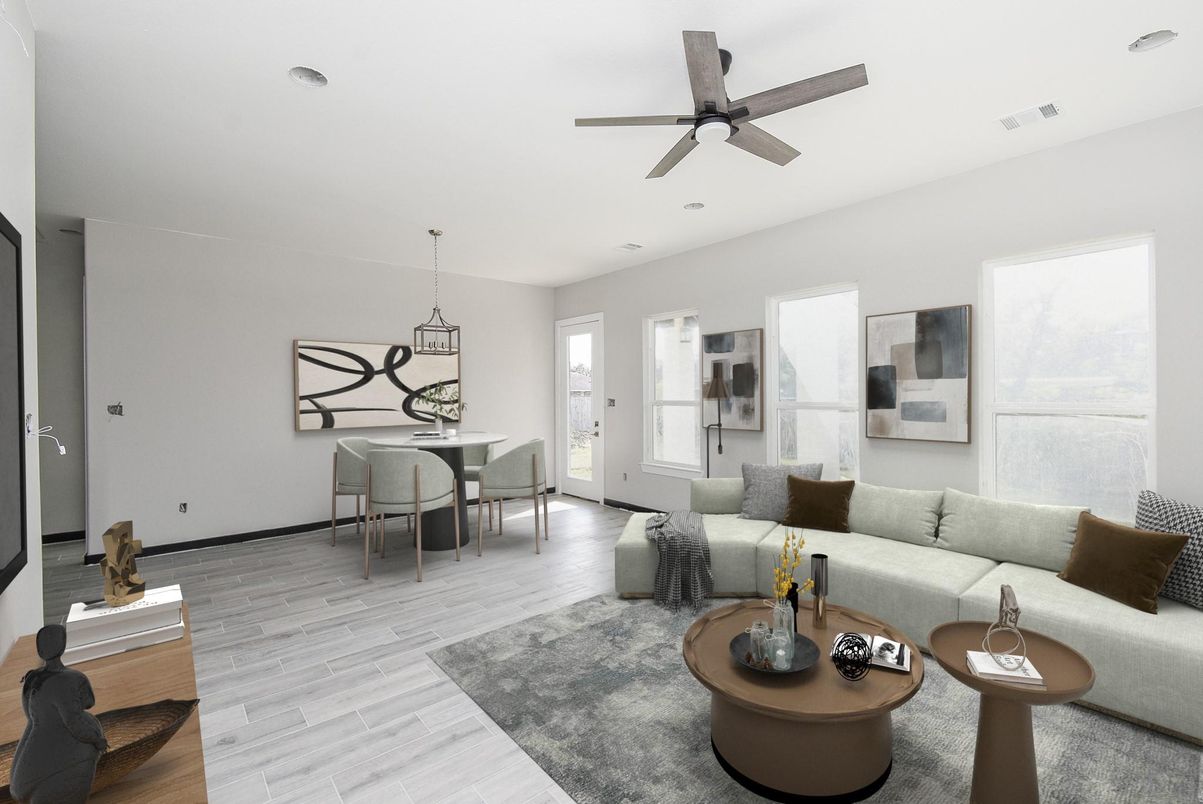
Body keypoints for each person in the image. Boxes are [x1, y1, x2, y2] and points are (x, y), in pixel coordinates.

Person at [9, 624, 107, 803]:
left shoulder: (31, 678)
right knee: (91, 732)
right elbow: (78, 719)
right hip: (55, 768)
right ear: (62, 645)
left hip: (25, 769)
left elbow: (30, 714)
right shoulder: (73, 678)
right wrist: (98, 741)